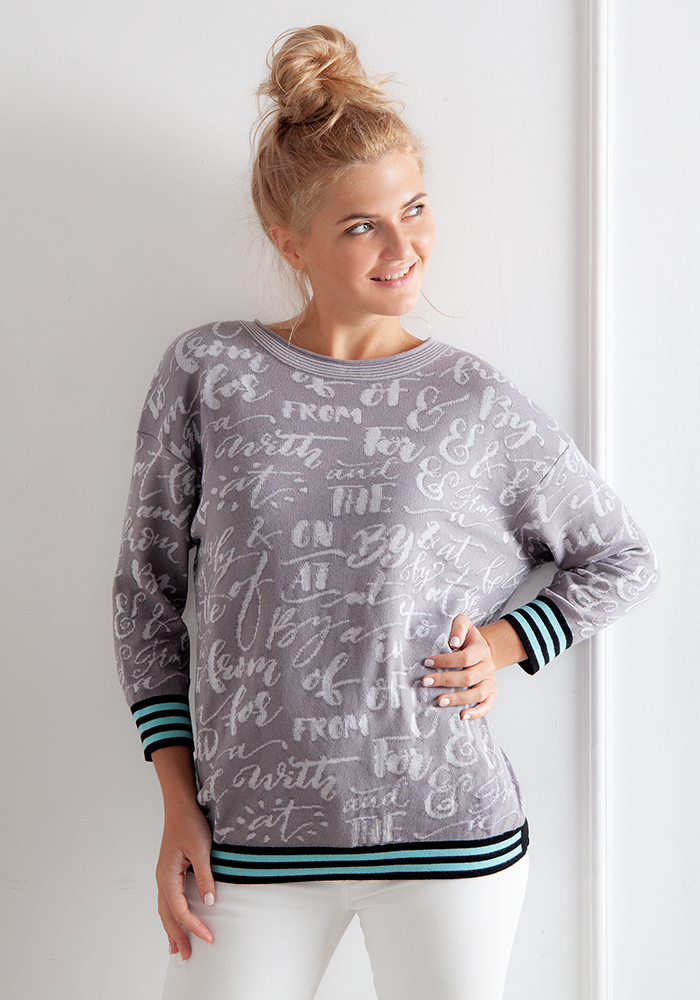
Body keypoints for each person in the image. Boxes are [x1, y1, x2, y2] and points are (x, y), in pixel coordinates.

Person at [113, 25, 658, 1000]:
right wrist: (176, 800)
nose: (406, 248)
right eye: (363, 225)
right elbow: (146, 595)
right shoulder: (209, 373)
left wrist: (504, 644)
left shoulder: (473, 401)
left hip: (449, 839)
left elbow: (620, 556)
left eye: (414, 208)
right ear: (290, 241)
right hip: (246, 846)